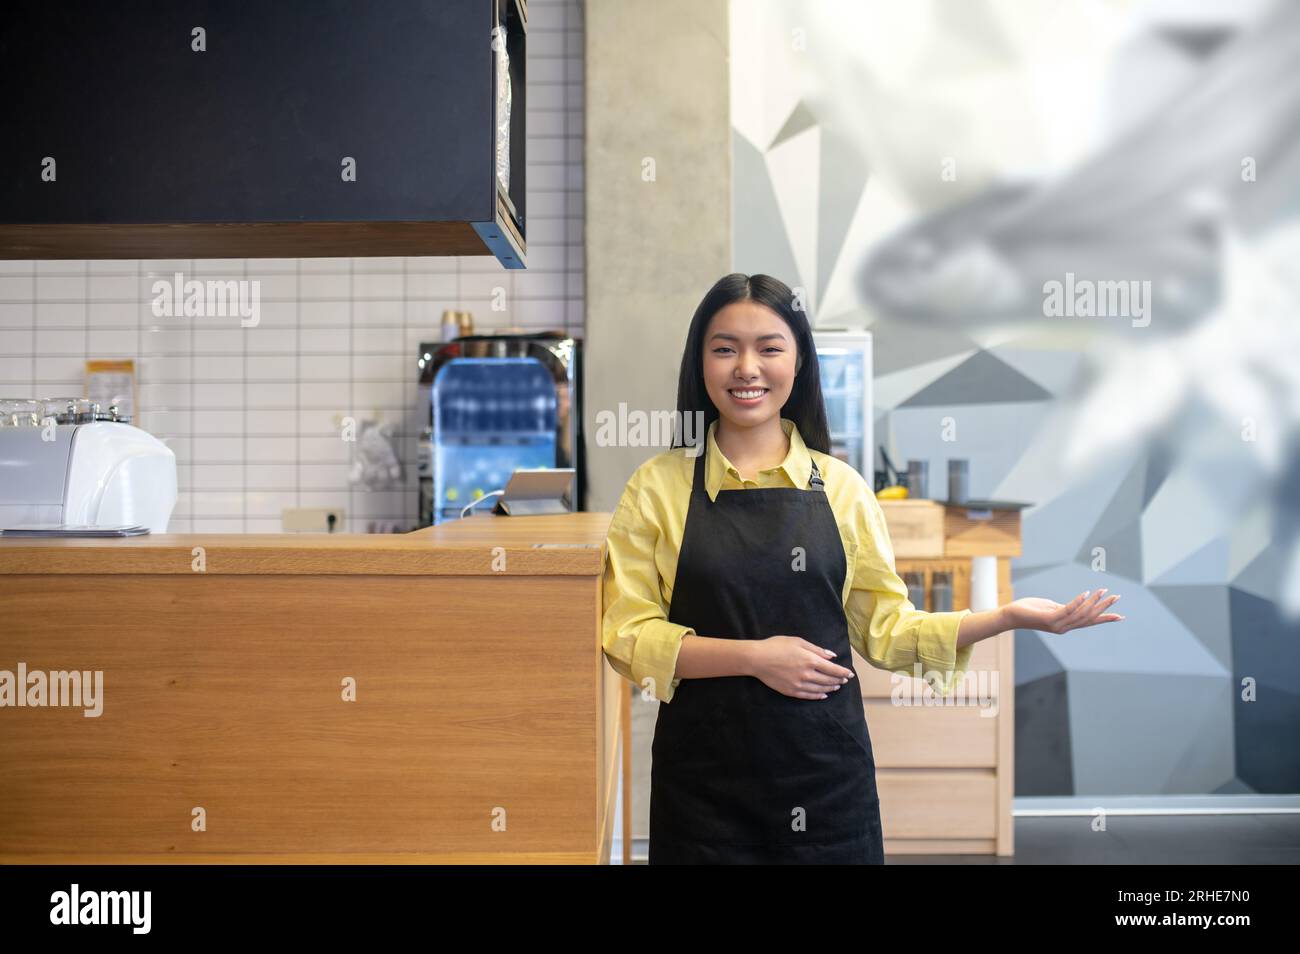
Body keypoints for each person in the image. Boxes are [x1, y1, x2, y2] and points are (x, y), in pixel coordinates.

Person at [601, 272, 1124, 864]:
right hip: (703, 792)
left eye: (769, 348)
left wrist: (1004, 617)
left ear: (798, 363)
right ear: (701, 363)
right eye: (725, 349)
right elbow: (628, 635)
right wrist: (754, 658)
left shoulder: (842, 490)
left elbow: (888, 631)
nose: (747, 367)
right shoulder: (657, 488)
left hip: (824, 785)